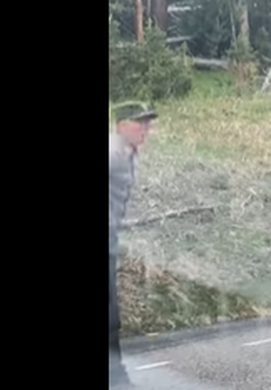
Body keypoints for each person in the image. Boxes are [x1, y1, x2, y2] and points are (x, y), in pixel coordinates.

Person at [109, 101, 158, 389]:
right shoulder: (113, 151)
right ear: (122, 125)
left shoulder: (129, 154)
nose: (146, 129)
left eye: (148, 124)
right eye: (140, 123)